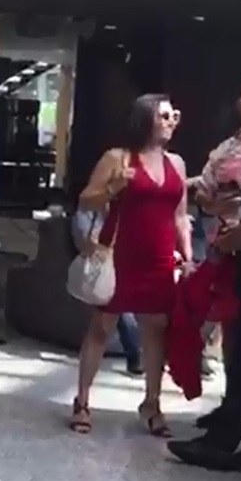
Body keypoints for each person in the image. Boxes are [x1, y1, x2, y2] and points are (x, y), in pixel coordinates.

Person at [71, 94, 190, 437]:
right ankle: (82, 401)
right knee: (102, 327)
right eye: (164, 116)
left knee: (156, 329)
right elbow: (85, 199)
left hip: (159, 256)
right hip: (119, 252)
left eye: (174, 116)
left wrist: (188, 257)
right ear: (146, 119)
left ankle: (152, 403)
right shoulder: (118, 158)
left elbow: (181, 217)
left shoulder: (177, 164)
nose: (171, 122)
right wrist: (113, 186)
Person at [168, 77, 241, 467]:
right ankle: (226, 424)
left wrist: (229, 240)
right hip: (233, 252)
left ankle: (223, 439)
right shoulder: (228, 145)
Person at [70, 207, 144, 376]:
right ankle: (136, 352)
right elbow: (84, 245)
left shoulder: (128, 212)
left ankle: (139, 352)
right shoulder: (87, 213)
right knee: (116, 308)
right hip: (101, 268)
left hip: (125, 264)